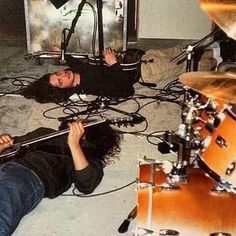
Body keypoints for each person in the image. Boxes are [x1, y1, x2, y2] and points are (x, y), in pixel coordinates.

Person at [0, 119, 120, 236]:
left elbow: (87, 185)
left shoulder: (90, 155)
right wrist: (3, 146)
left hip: (27, 176)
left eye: (83, 123)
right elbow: (13, 146)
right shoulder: (44, 133)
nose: (77, 122)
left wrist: (74, 145)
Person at [20, 48, 137, 103]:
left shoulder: (75, 72)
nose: (63, 75)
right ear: (63, 90)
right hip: (132, 71)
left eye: (57, 73)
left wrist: (60, 53)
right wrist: (113, 63)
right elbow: (128, 91)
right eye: (60, 82)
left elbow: (75, 64)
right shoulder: (91, 85)